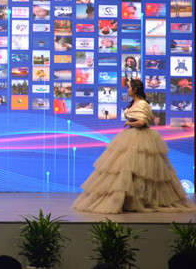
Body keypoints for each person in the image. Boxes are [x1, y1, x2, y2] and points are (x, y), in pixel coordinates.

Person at [72, 79, 196, 214]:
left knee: (141, 169)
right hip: (131, 136)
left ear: (135, 90)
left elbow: (143, 122)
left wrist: (129, 123)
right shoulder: (135, 103)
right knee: (126, 168)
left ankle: (143, 199)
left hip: (140, 137)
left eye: (130, 88)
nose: (128, 90)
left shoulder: (142, 104)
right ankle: (128, 200)